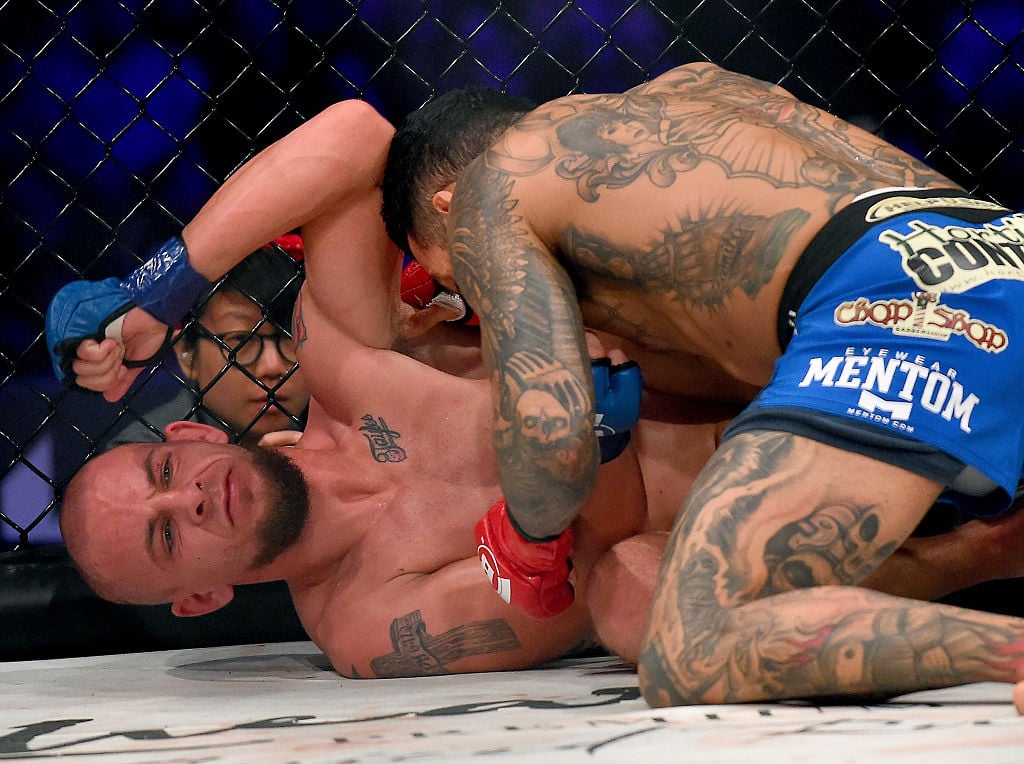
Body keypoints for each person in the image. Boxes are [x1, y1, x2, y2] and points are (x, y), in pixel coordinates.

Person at [379, 61, 1024, 708]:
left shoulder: (489, 190)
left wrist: (528, 533)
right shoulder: (701, 89)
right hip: (995, 248)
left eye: (455, 277)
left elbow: (552, 443)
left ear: (449, 202)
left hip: (897, 302)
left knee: (693, 643)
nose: (471, 301)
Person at [102, 239, 309, 449]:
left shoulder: (336, 422)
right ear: (187, 352)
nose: (273, 367)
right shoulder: (144, 453)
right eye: (241, 341)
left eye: (290, 335)